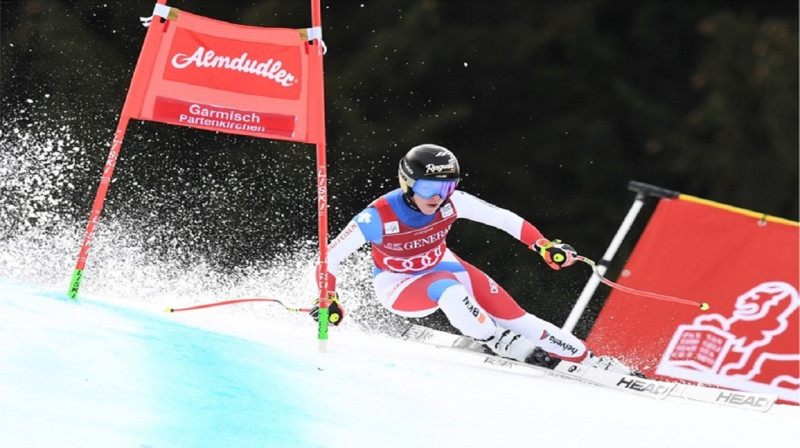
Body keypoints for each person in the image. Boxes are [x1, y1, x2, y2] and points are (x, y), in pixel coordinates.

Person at [311, 143, 634, 374]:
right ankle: (494, 338)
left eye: (447, 187)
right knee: (449, 289)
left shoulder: (454, 202)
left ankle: (587, 358)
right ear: (407, 183)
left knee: (518, 317)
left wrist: (542, 245)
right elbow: (329, 258)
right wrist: (329, 297)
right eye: (427, 188)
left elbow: (505, 219)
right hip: (399, 286)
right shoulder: (377, 216)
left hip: (444, 265)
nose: (437, 198)